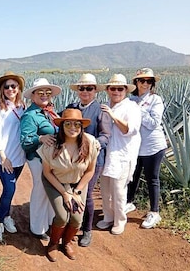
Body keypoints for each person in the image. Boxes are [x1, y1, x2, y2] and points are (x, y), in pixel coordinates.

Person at [37, 108, 99, 262]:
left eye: (77, 125)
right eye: (68, 124)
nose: (73, 128)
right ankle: (52, 244)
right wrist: (65, 194)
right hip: (55, 181)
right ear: (62, 126)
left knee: (77, 218)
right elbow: (47, 173)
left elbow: (90, 171)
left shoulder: (90, 142)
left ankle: (66, 243)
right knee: (62, 215)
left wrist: (76, 192)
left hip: (78, 183)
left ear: (81, 126)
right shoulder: (51, 144)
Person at [65, 73, 112, 247]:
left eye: (89, 88)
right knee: (71, 190)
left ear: (95, 91)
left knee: (87, 194)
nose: (85, 91)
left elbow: (106, 136)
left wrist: (94, 145)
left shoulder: (101, 109)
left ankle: (87, 230)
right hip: (72, 159)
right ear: (78, 91)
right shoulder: (70, 107)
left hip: (93, 160)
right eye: (82, 88)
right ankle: (70, 224)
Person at [96, 74, 141, 235]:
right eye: (113, 88)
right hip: (107, 155)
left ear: (126, 91)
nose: (116, 91)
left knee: (119, 190)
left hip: (123, 155)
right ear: (108, 90)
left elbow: (129, 129)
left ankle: (119, 220)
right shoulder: (106, 105)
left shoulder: (132, 107)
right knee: (105, 188)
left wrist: (112, 115)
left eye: (120, 89)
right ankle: (108, 217)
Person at [20, 78, 62, 240]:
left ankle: (50, 222)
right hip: (37, 158)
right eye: (40, 92)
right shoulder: (30, 115)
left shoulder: (50, 111)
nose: (45, 95)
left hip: (51, 158)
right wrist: (40, 138)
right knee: (41, 190)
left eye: (47, 92)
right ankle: (37, 228)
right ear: (33, 96)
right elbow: (25, 141)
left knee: (50, 190)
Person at [125, 68, 167, 229]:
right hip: (135, 146)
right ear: (136, 82)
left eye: (149, 81)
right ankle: (129, 202)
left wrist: (138, 108)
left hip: (153, 146)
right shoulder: (131, 99)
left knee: (152, 179)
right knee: (133, 176)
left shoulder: (155, 100)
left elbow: (152, 124)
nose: (145, 84)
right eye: (142, 80)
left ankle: (154, 212)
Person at [0, 71, 27, 242]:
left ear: (18, 88)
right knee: (9, 189)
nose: (10, 89)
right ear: (2, 90)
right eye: (7, 86)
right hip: (5, 159)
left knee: (10, 189)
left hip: (19, 157)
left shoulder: (23, 107)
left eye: (14, 86)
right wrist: (4, 158)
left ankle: (6, 217)